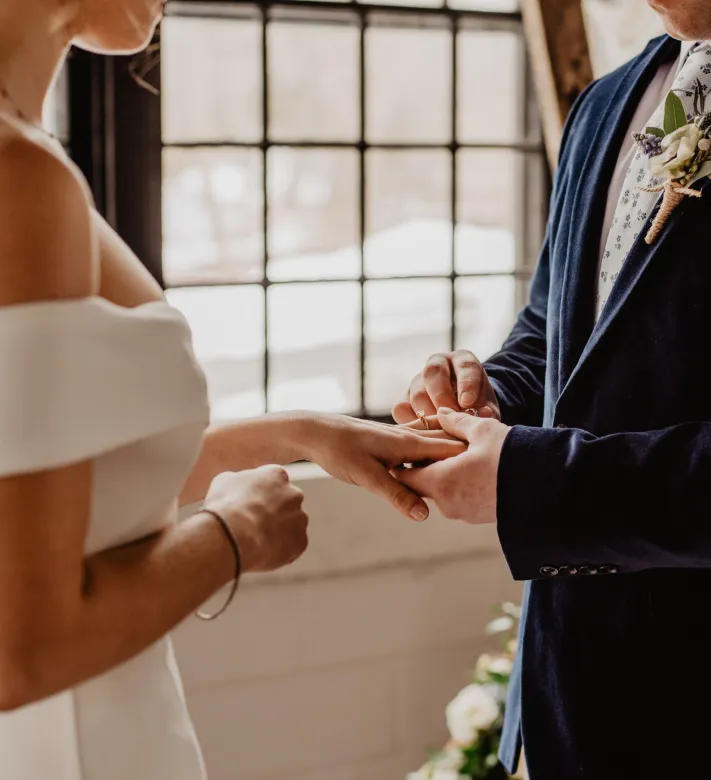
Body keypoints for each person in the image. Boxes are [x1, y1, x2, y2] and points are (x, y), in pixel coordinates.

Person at [0, 1, 464, 778]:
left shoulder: (27, 155)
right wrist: (234, 535)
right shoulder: (20, 181)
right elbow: (23, 650)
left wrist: (303, 434)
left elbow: (63, 497)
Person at [395, 0, 711, 776]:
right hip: (565, 702)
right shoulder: (604, 104)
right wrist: (488, 390)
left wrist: (532, 483)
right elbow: (559, 329)